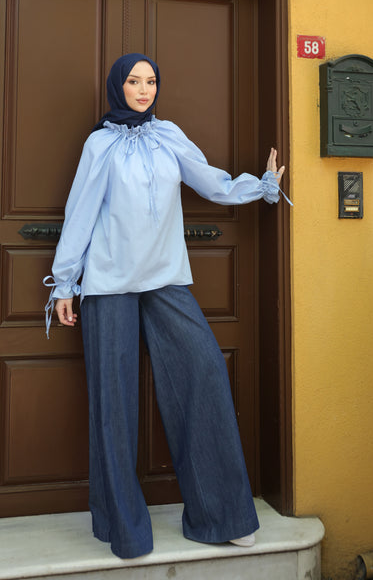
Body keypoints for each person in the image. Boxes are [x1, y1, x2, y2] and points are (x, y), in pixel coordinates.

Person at [44, 53, 287, 560]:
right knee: (113, 402)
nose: (143, 89)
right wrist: (65, 283)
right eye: (134, 81)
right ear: (118, 86)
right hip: (108, 282)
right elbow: (80, 212)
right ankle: (125, 530)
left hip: (165, 278)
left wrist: (260, 186)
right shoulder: (100, 144)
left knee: (204, 372)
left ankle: (221, 516)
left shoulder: (169, 136)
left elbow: (210, 180)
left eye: (151, 81)